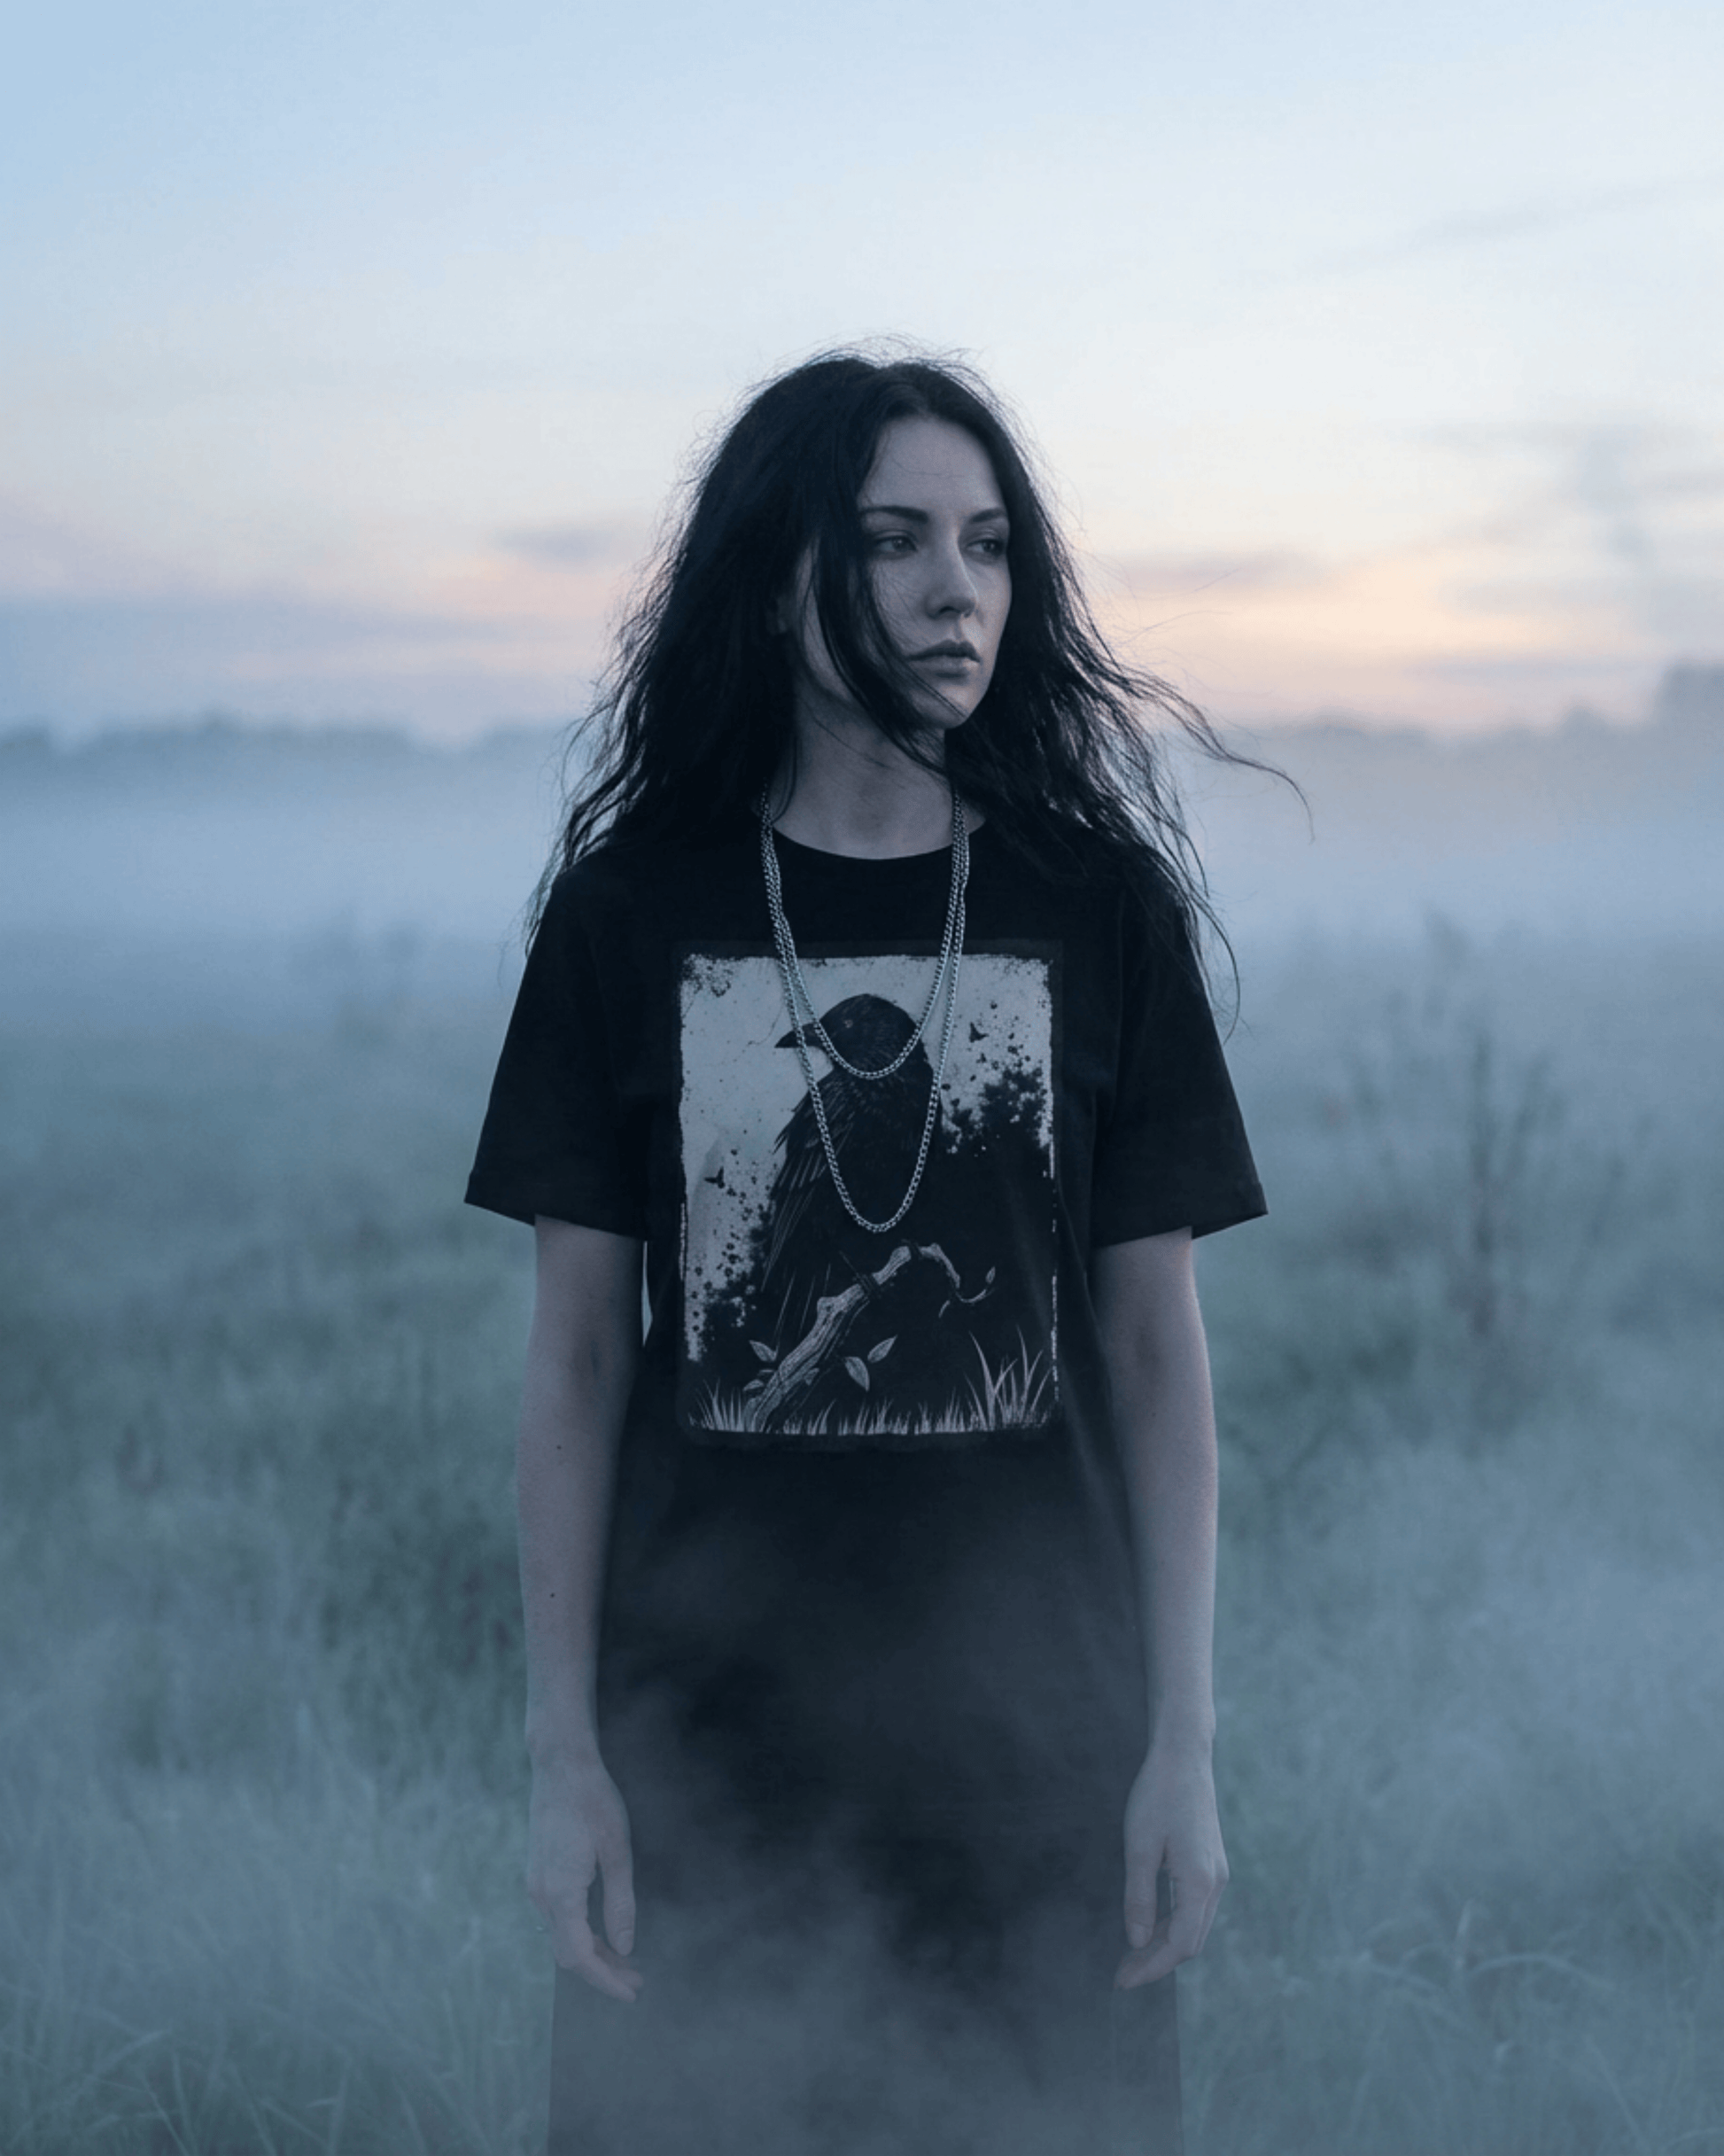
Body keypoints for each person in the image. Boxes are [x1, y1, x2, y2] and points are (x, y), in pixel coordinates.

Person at [465, 347, 1267, 2155]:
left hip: (1040, 1745)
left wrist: (1181, 1748)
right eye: (894, 539)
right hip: (712, 1754)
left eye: (985, 546)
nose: (949, 589)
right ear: (774, 581)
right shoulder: (628, 913)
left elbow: (1156, 1355)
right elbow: (580, 1359)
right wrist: (565, 1759)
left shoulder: (1095, 905)